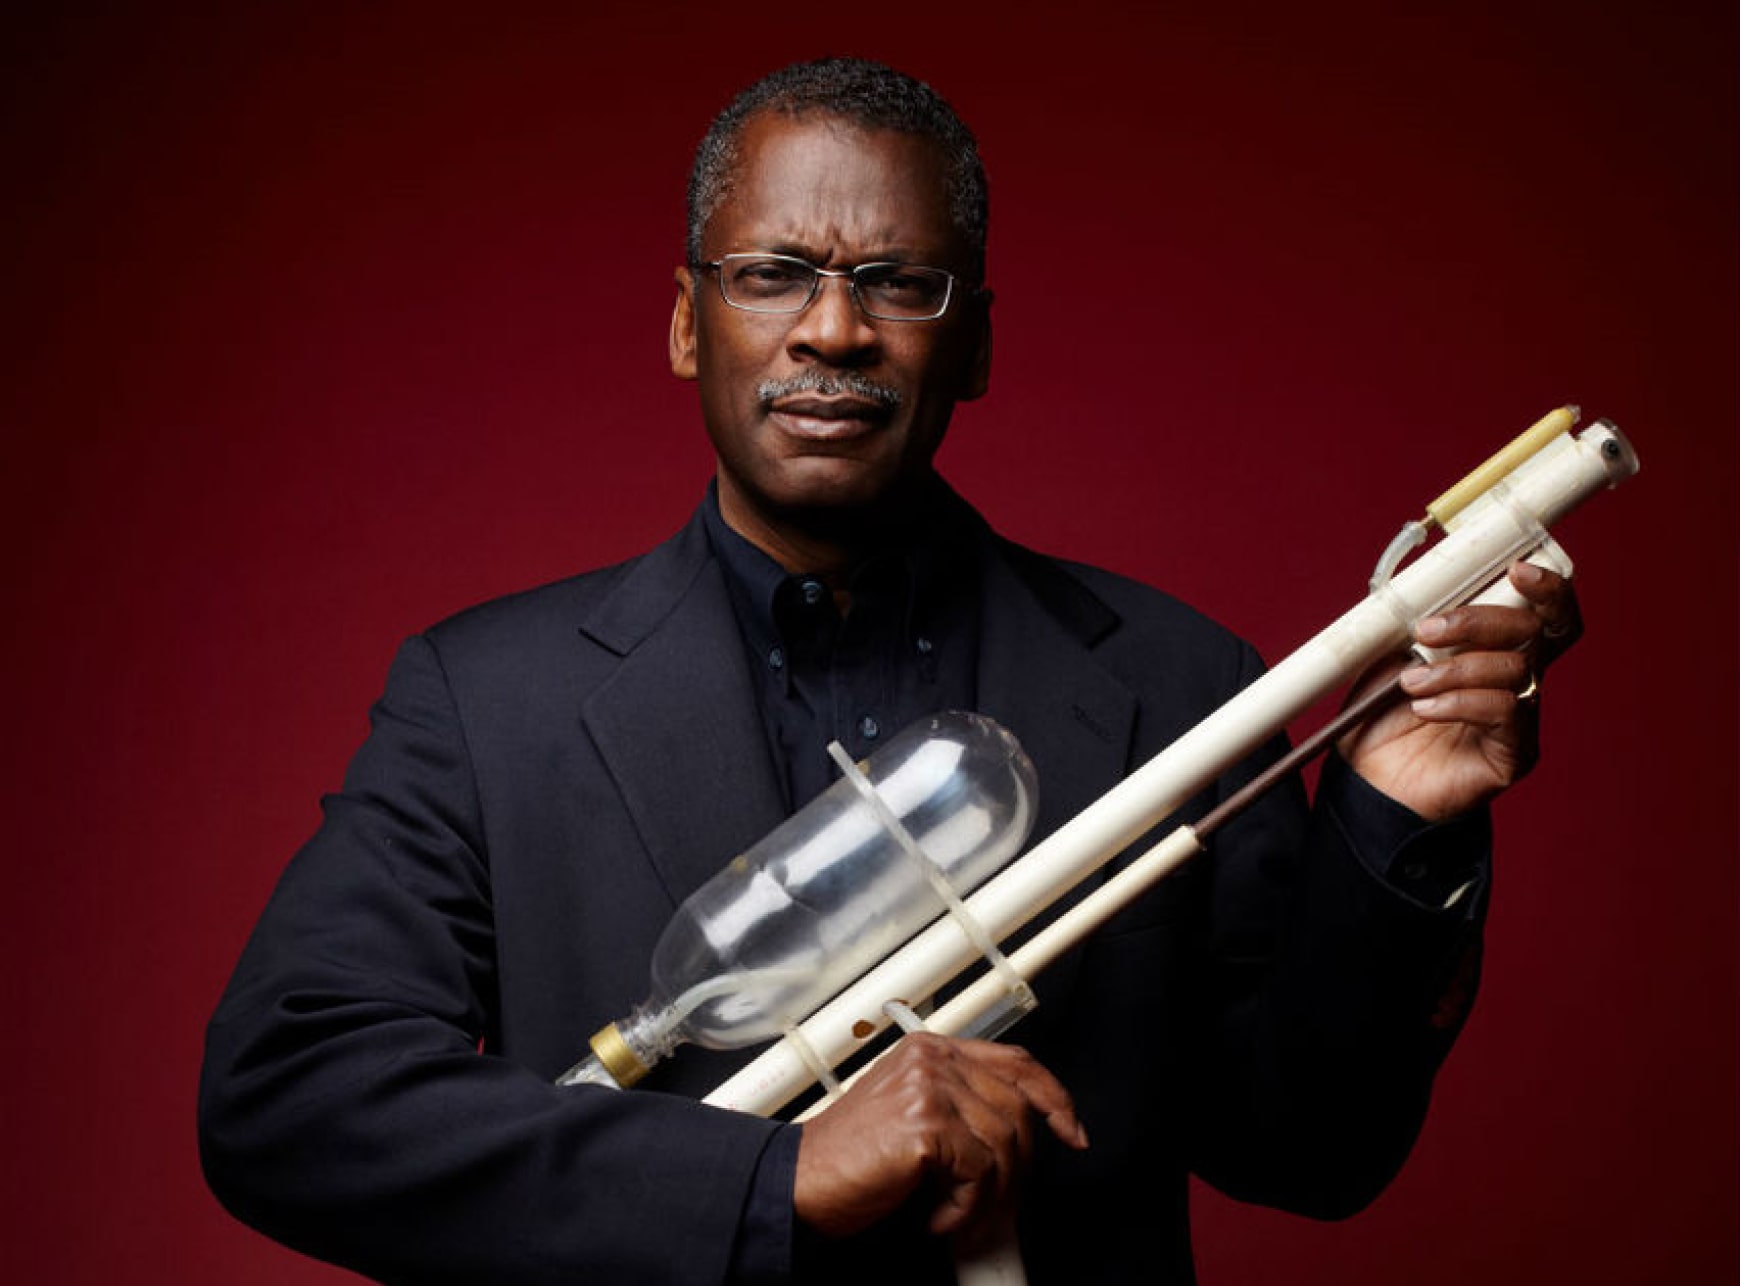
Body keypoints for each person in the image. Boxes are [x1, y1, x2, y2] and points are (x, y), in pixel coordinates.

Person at [199, 58, 1581, 1284]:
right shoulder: (485, 698)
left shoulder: (1175, 679)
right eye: (773, 273)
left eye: (896, 283)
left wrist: (1401, 810)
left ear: (971, 339)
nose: (834, 332)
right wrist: (769, 1179)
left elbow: (1314, 1148)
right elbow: (287, 1098)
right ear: (690, 323)